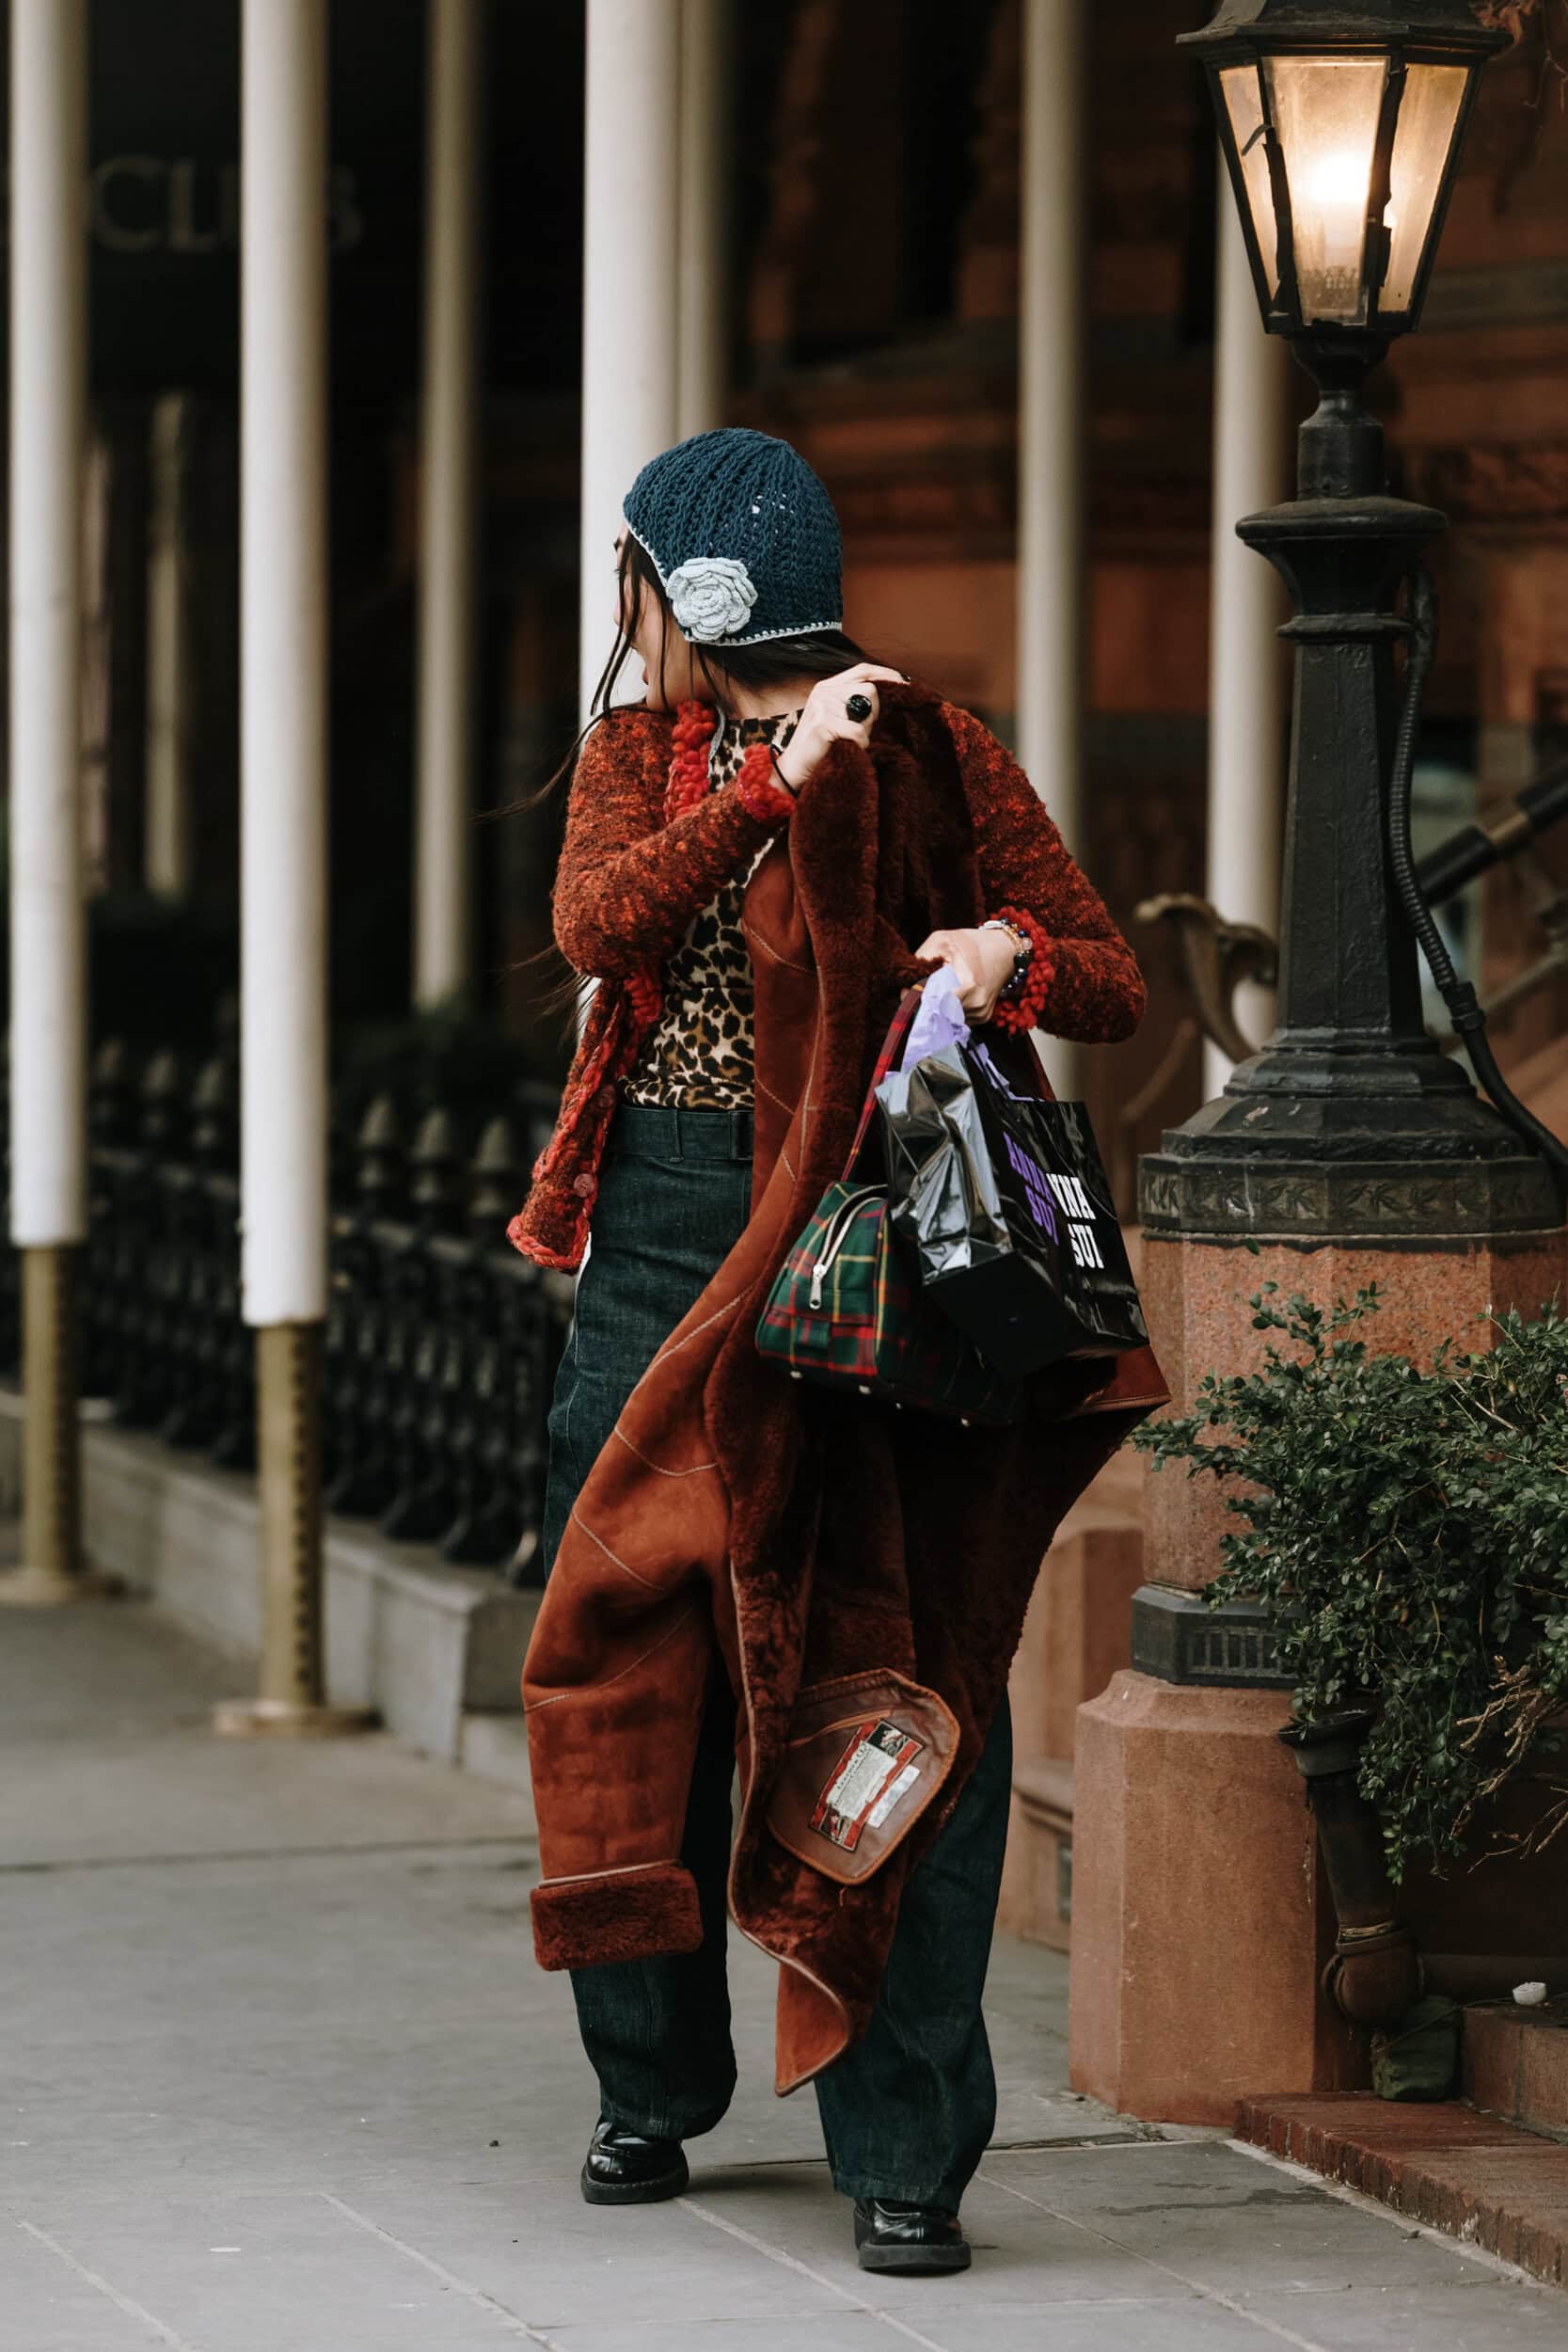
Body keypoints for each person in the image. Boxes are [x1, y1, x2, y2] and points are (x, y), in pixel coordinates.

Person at [507, 427, 1164, 2277]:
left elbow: (1108, 973)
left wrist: (1000, 952)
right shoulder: (648, 755)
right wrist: (763, 791)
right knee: (623, 1657)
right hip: (653, 1235)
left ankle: (904, 2145)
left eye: (637, 585)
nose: (623, 623)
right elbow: (595, 925)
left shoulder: (938, 747)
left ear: (685, 596)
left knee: (894, 1667)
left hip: (870, 1259)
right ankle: (647, 2081)